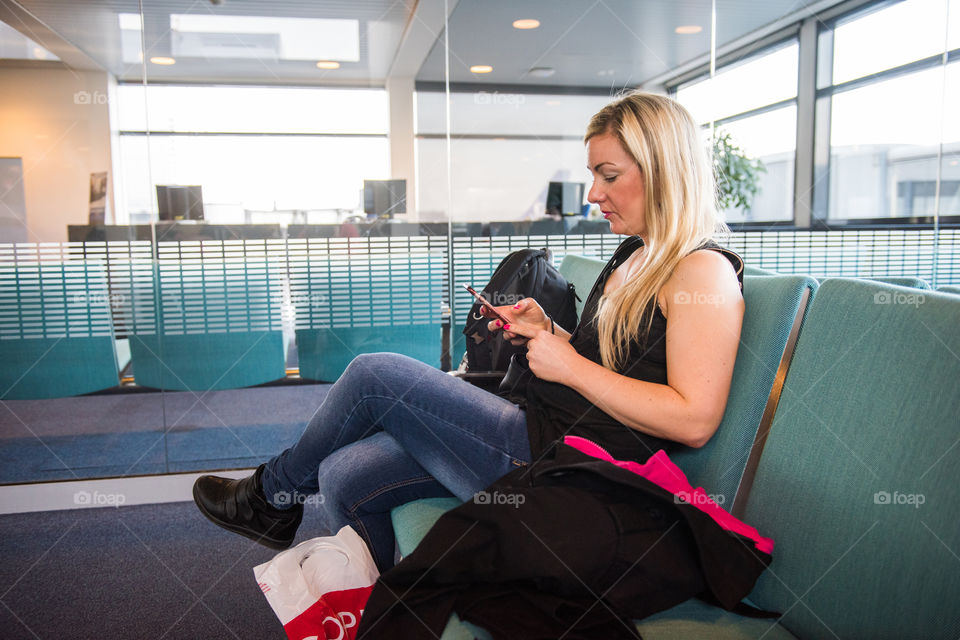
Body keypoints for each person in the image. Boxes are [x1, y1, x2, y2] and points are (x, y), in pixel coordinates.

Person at [192, 91, 745, 572]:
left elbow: (694, 419)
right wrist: (548, 331)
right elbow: (612, 364)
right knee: (343, 476)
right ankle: (381, 607)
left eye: (609, 175)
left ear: (663, 170)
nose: (592, 194)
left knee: (373, 376)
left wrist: (570, 366)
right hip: (540, 427)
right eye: (593, 175)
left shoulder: (702, 271)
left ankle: (269, 496)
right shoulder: (634, 254)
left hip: (571, 469)